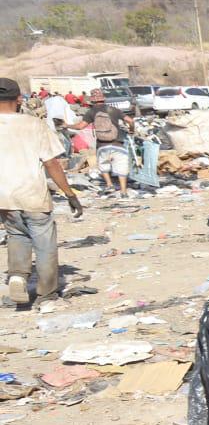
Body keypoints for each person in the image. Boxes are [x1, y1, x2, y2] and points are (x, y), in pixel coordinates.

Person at [0, 77, 83, 306]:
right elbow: (52, 163)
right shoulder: (34, 124)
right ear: (19, 99)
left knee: (16, 235)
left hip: (4, 196)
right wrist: (69, 193)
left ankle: (17, 275)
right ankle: (46, 292)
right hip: (32, 194)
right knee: (44, 242)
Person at [82, 89, 133, 198]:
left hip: (102, 145)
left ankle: (109, 185)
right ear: (103, 99)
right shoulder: (114, 110)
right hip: (117, 143)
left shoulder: (91, 112)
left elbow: (80, 126)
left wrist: (66, 125)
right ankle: (123, 192)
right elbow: (130, 121)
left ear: (92, 100)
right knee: (121, 167)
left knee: (103, 165)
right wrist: (132, 130)